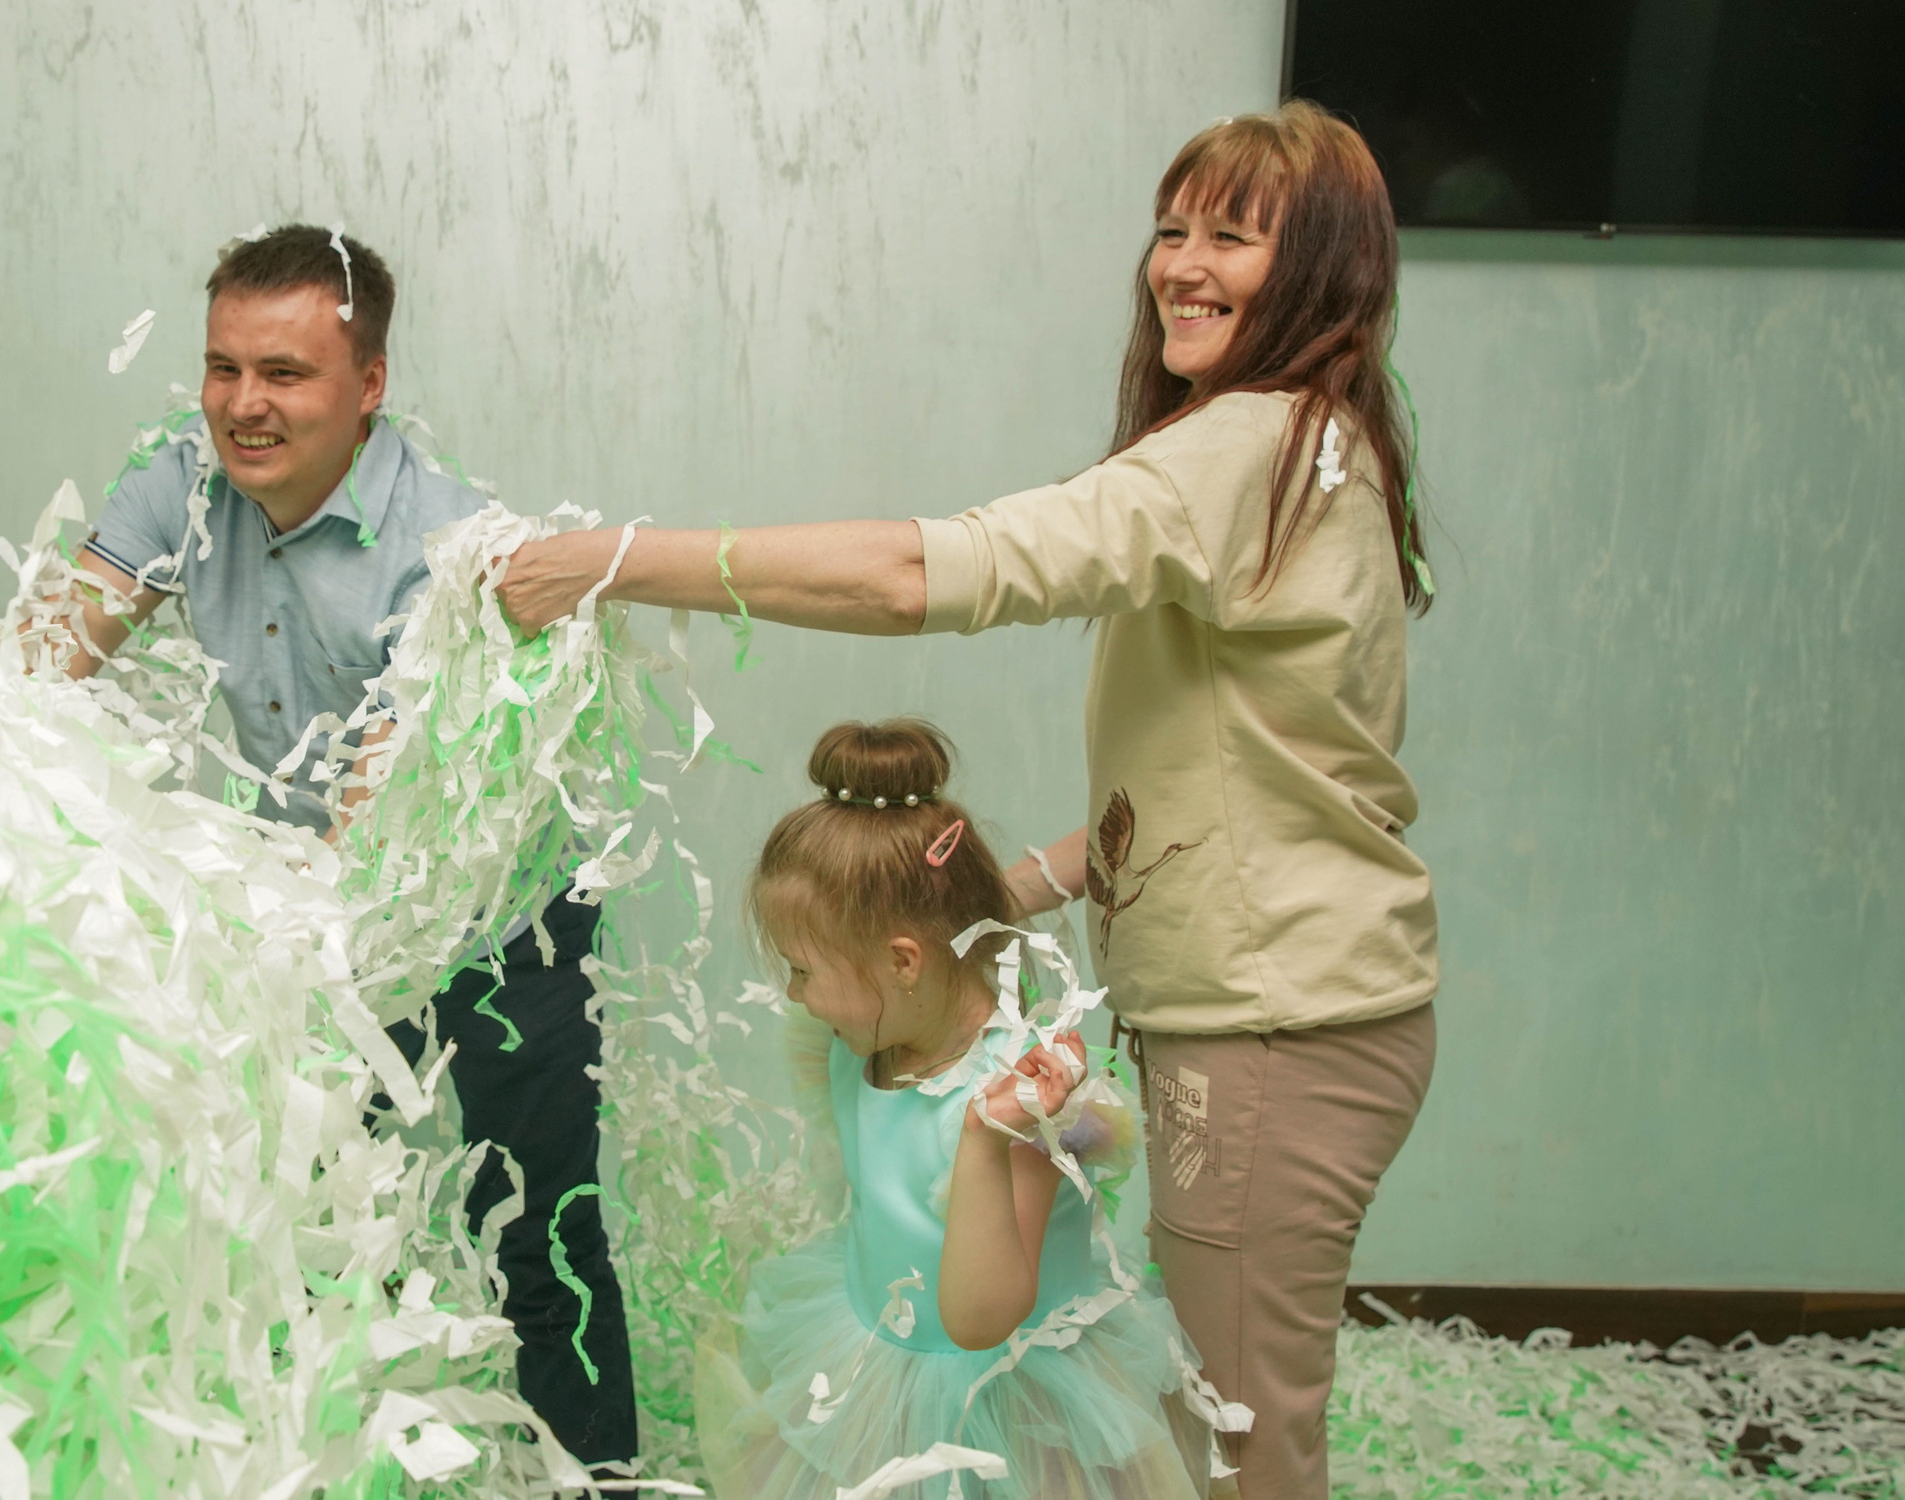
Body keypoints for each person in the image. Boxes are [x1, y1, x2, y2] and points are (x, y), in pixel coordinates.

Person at [498, 102, 1438, 1500]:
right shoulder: (1303, 443)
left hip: (1280, 1024)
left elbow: (918, 576)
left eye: (1231, 237)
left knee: (1239, 1442)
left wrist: (621, 558)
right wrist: (1014, 888)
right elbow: (1236, 781)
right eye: (1171, 228)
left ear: (1322, 273)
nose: (1178, 264)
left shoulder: (1254, 446)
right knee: (1232, 1414)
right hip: (1285, 1008)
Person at [34, 224, 639, 1474]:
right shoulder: (174, 485)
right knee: (299, 1220)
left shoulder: (451, 543)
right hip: (302, 906)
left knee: (532, 1225)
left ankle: (600, 1475)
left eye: (284, 374)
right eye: (223, 369)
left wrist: (261, 927)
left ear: (367, 387)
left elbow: (381, 814)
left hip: (491, 912)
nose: (243, 407)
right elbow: (44, 656)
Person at [698, 719, 1217, 1500]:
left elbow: (982, 1320)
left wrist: (982, 1135)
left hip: (1015, 1402)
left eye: (802, 969)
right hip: (876, 1366)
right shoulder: (858, 1042)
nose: (793, 994)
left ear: (903, 961)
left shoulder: (1031, 1097)